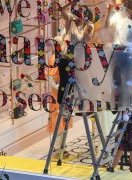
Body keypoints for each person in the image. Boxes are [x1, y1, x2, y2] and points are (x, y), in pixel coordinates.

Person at [47, 1, 95, 156]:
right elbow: (62, 10)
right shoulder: (70, 23)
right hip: (67, 61)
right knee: (62, 98)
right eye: (81, 14)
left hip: (77, 62)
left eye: (84, 16)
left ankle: (77, 103)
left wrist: (90, 27)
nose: (81, 17)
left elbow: (86, 41)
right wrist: (71, 3)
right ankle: (57, 146)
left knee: (75, 93)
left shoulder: (83, 28)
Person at [105, 0, 132, 172]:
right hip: (119, 60)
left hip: (130, 60)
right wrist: (108, 11)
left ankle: (125, 111)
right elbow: (107, 27)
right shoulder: (117, 17)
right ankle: (123, 110)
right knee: (125, 119)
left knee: (128, 124)